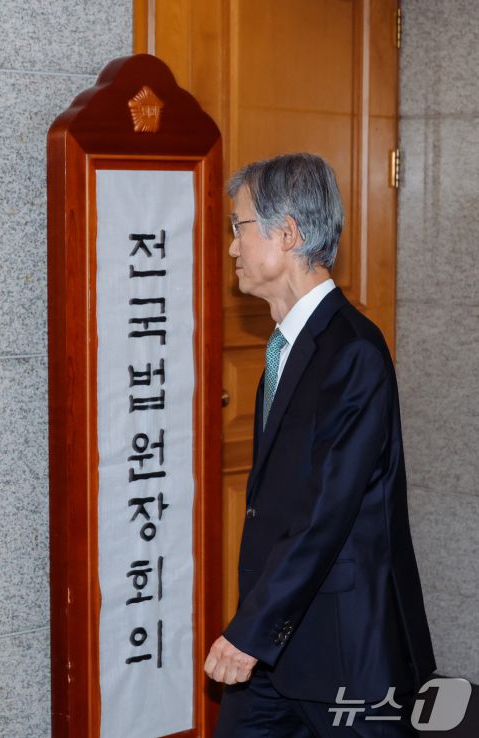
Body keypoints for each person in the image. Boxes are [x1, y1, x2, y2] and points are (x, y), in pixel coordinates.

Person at [204, 153, 436, 737]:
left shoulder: (352, 351)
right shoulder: (288, 346)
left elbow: (324, 515)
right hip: (278, 642)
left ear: (287, 234)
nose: (231, 246)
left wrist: (249, 631)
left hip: (345, 645)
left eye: (238, 226)